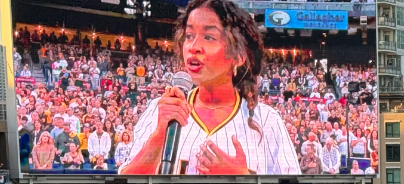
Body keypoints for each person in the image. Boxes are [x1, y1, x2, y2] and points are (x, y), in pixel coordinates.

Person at [121, 0, 300, 175]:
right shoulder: (159, 111)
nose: (193, 47)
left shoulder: (268, 121)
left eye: (209, 37)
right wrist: (160, 135)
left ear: (239, 56)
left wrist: (243, 180)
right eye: (189, 36)